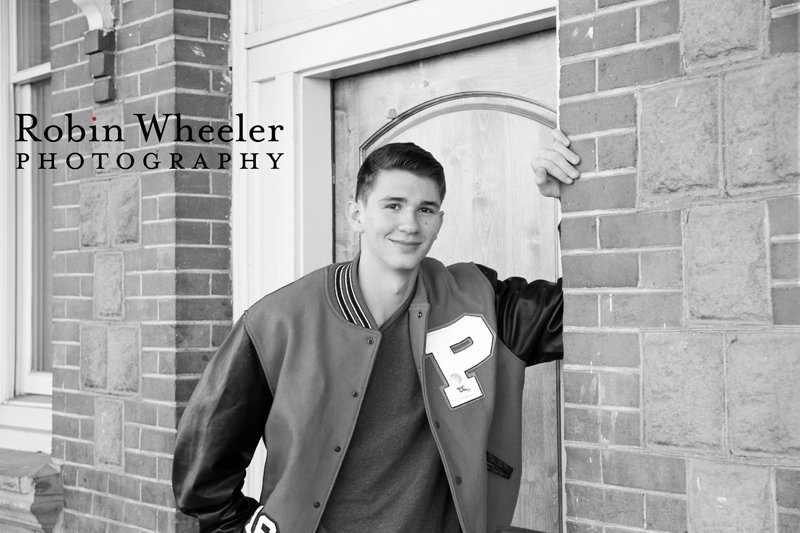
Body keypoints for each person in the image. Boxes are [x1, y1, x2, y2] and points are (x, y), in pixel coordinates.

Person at [172, 130, 580, 533]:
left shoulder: (483, 302)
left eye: (426, 209)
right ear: (356, 215)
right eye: (393, 205)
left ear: (440, 222)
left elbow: (585, 313)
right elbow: (202, 479)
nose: (410, 224)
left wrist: (572, 203)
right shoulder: (279, 320)